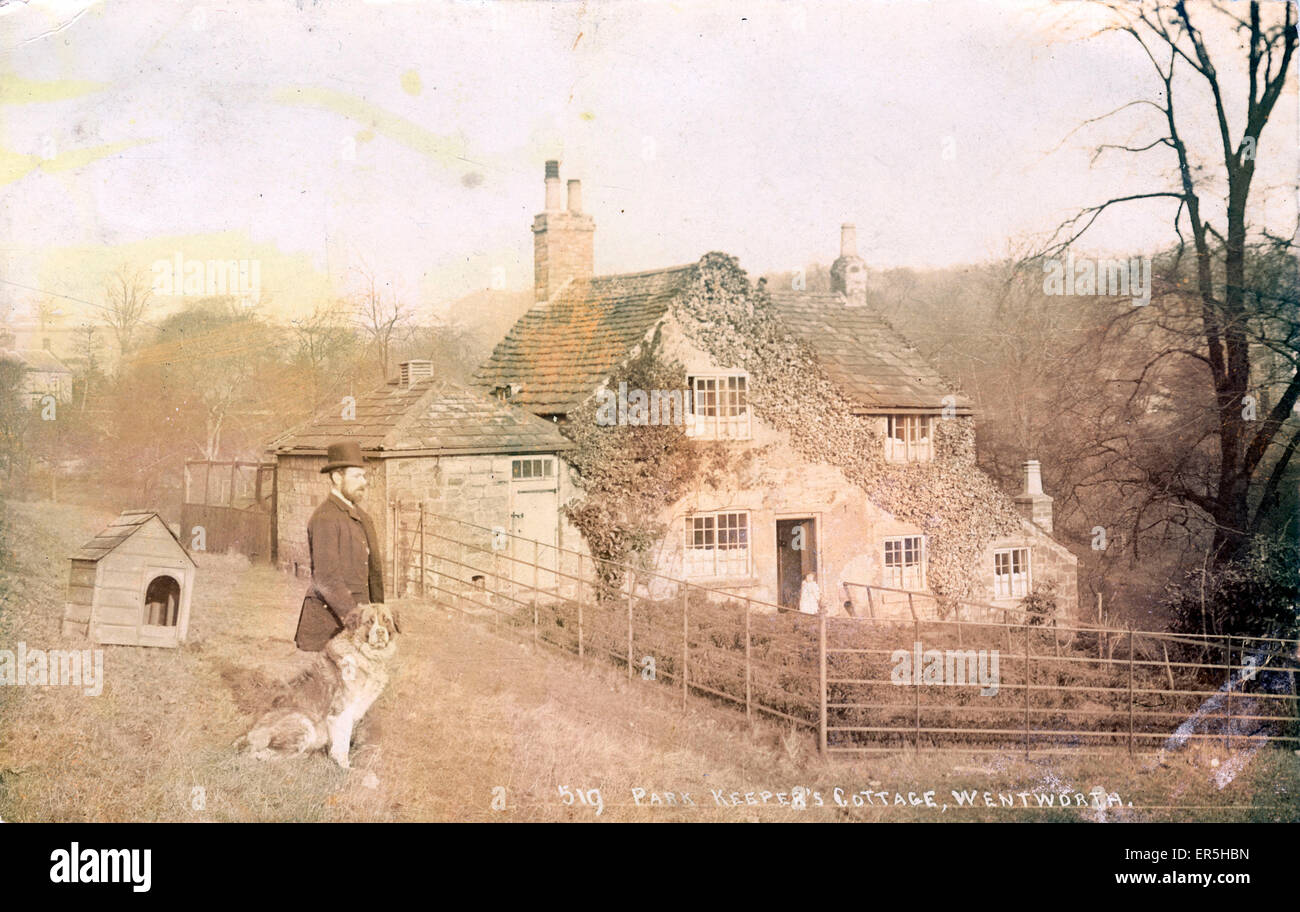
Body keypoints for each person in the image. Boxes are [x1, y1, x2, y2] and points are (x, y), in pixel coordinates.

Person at [293, 440, 393, 652]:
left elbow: (374, 577)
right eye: (357, 476)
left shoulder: (363, 518)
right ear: (337, 477)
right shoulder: (325, 518)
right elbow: (327, 578)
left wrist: (379, 622)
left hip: (359, 627)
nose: (364, 482)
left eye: (364, 476)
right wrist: (357, 620)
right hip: (329, 630)